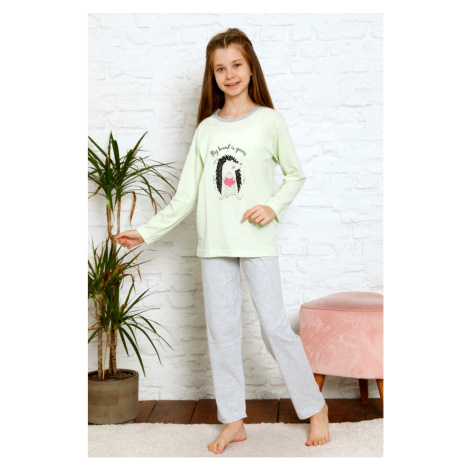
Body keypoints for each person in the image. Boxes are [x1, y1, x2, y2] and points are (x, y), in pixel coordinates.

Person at [115, 27, 330, 454]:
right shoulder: (206, 130)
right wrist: (145, 231)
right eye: (220, 68)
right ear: (211, 76)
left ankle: (315, 407)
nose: (229, 74)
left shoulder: (270, 121)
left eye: (236, 65)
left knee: (274, 329)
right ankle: (234, 420)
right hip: (214, 245)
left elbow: (295, 175)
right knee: (223, 334)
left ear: (250, 68)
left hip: (257, 242)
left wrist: (272, 206)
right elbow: (185, 197)